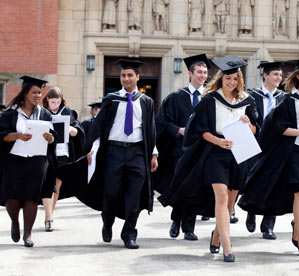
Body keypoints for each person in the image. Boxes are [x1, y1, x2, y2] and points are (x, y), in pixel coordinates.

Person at [159, 54, 258, 262]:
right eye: (227, 78)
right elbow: (199, 130)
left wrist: (248, 123)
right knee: (221, 196)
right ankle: (228, 247)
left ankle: (216, 235)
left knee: (230, 202)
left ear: (239, 80)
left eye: (235, 79)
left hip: (239, 153)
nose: (231, 83)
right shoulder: (210, 99)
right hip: (216, 153)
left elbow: (256, 129)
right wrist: (217, 141)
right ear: (221, 78)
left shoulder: (247, 101)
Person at [238, 59, 299, 256]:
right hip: (295, 153)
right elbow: (279, 128)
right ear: (298, 76)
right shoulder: (290, 100)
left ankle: (296, 228)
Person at [84, 59, 158, 249]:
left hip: (137, 152)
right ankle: (107, 221)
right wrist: (93, 149)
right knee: (111, 192)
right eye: (123, 75)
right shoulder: (111, 99)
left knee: (135, 195)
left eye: (130, 75)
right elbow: (101, 127)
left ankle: (129, 234)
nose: (126, 78)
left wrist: (154, 154)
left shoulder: (146, 102)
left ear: (137, 77)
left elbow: (150, 129)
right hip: (114, 151)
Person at [155, 53, 211, 241]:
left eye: (205, 73)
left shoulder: (209, 99)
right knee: (179, 186)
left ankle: (188, 227)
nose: (203, 76)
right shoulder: (176, 97)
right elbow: (162, 122)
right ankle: (176, 220)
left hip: (201, 152)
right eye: (199, 72)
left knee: (194, 189)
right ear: (190, 73)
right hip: (178, 151)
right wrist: (178, 130)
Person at [0, 76, 55, 247]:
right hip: (14, 161)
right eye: (35, 92)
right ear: (25, 93)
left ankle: (28, 234)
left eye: (40, 92)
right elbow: (1, 135)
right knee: (12, 198)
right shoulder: (11, 113)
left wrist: (50, 138)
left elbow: (54, 137)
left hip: (37, 162)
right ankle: (15, 223)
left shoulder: (44, 114)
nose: (38, 95)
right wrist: (17, 136)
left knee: (31, 198)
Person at [244, 61, 285, 240]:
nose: (278, 78)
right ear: (265, 76)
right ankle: (251, 212)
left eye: (280, 75)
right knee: (253, 181)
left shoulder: (284, 98)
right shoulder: (252, 96)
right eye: (275, 74)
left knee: (275, 185)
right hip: (255, 145)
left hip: (277, 147)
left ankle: (268, 225)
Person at [41, 87, 85, 232]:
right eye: (53, 102)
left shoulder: (67, 112)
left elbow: (77, 130)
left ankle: (49, 216)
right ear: (47, 100)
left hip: (63, 154)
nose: (55, 105)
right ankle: (48, 218)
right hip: (47, 153)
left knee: (56, 186)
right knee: (48, 184)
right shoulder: (42, 112)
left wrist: (72, 130)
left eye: (58, 102)